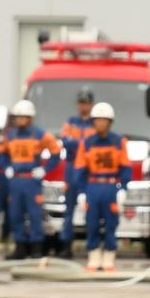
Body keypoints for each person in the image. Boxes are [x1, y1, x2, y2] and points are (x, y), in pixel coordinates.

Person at [0, 100, 62, 261]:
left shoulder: (40, 134)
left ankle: (36, 248)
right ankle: (20, 247)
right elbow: (0, 152)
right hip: (16, 181)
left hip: (32, 181)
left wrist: (44, 169)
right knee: (15, 214)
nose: (20, 120)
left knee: (34, 215)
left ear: (30, 118)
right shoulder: (10, 135)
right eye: (17, 117)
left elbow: (56, 151)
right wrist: (6, 167)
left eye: (23, 117)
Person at [75, 102, 128, 272]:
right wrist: (82, 192)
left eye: (104, 120)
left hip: (111, 186)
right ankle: (93, 256)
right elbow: (80, 169)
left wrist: (123, 189)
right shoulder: (87, 143)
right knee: (91, 223)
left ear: (110, 122)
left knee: (111, 223)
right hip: (93, 186)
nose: (100, 124)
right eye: (97, 120)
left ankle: (109, 258)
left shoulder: (119, 142)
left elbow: (125, 167)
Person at [55, 88, 96, 258]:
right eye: (81, 102)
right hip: (71, 167)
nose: (83, 105)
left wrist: (77, 143)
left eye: (86, 102)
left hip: (89, 169)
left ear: (91, 104)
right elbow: (64, 141)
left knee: (90, 209)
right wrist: (81, 144)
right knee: (69, 209)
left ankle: (91, 245)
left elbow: (94, 145)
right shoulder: (71, 122)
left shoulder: (95, 124)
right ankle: (66, 245)